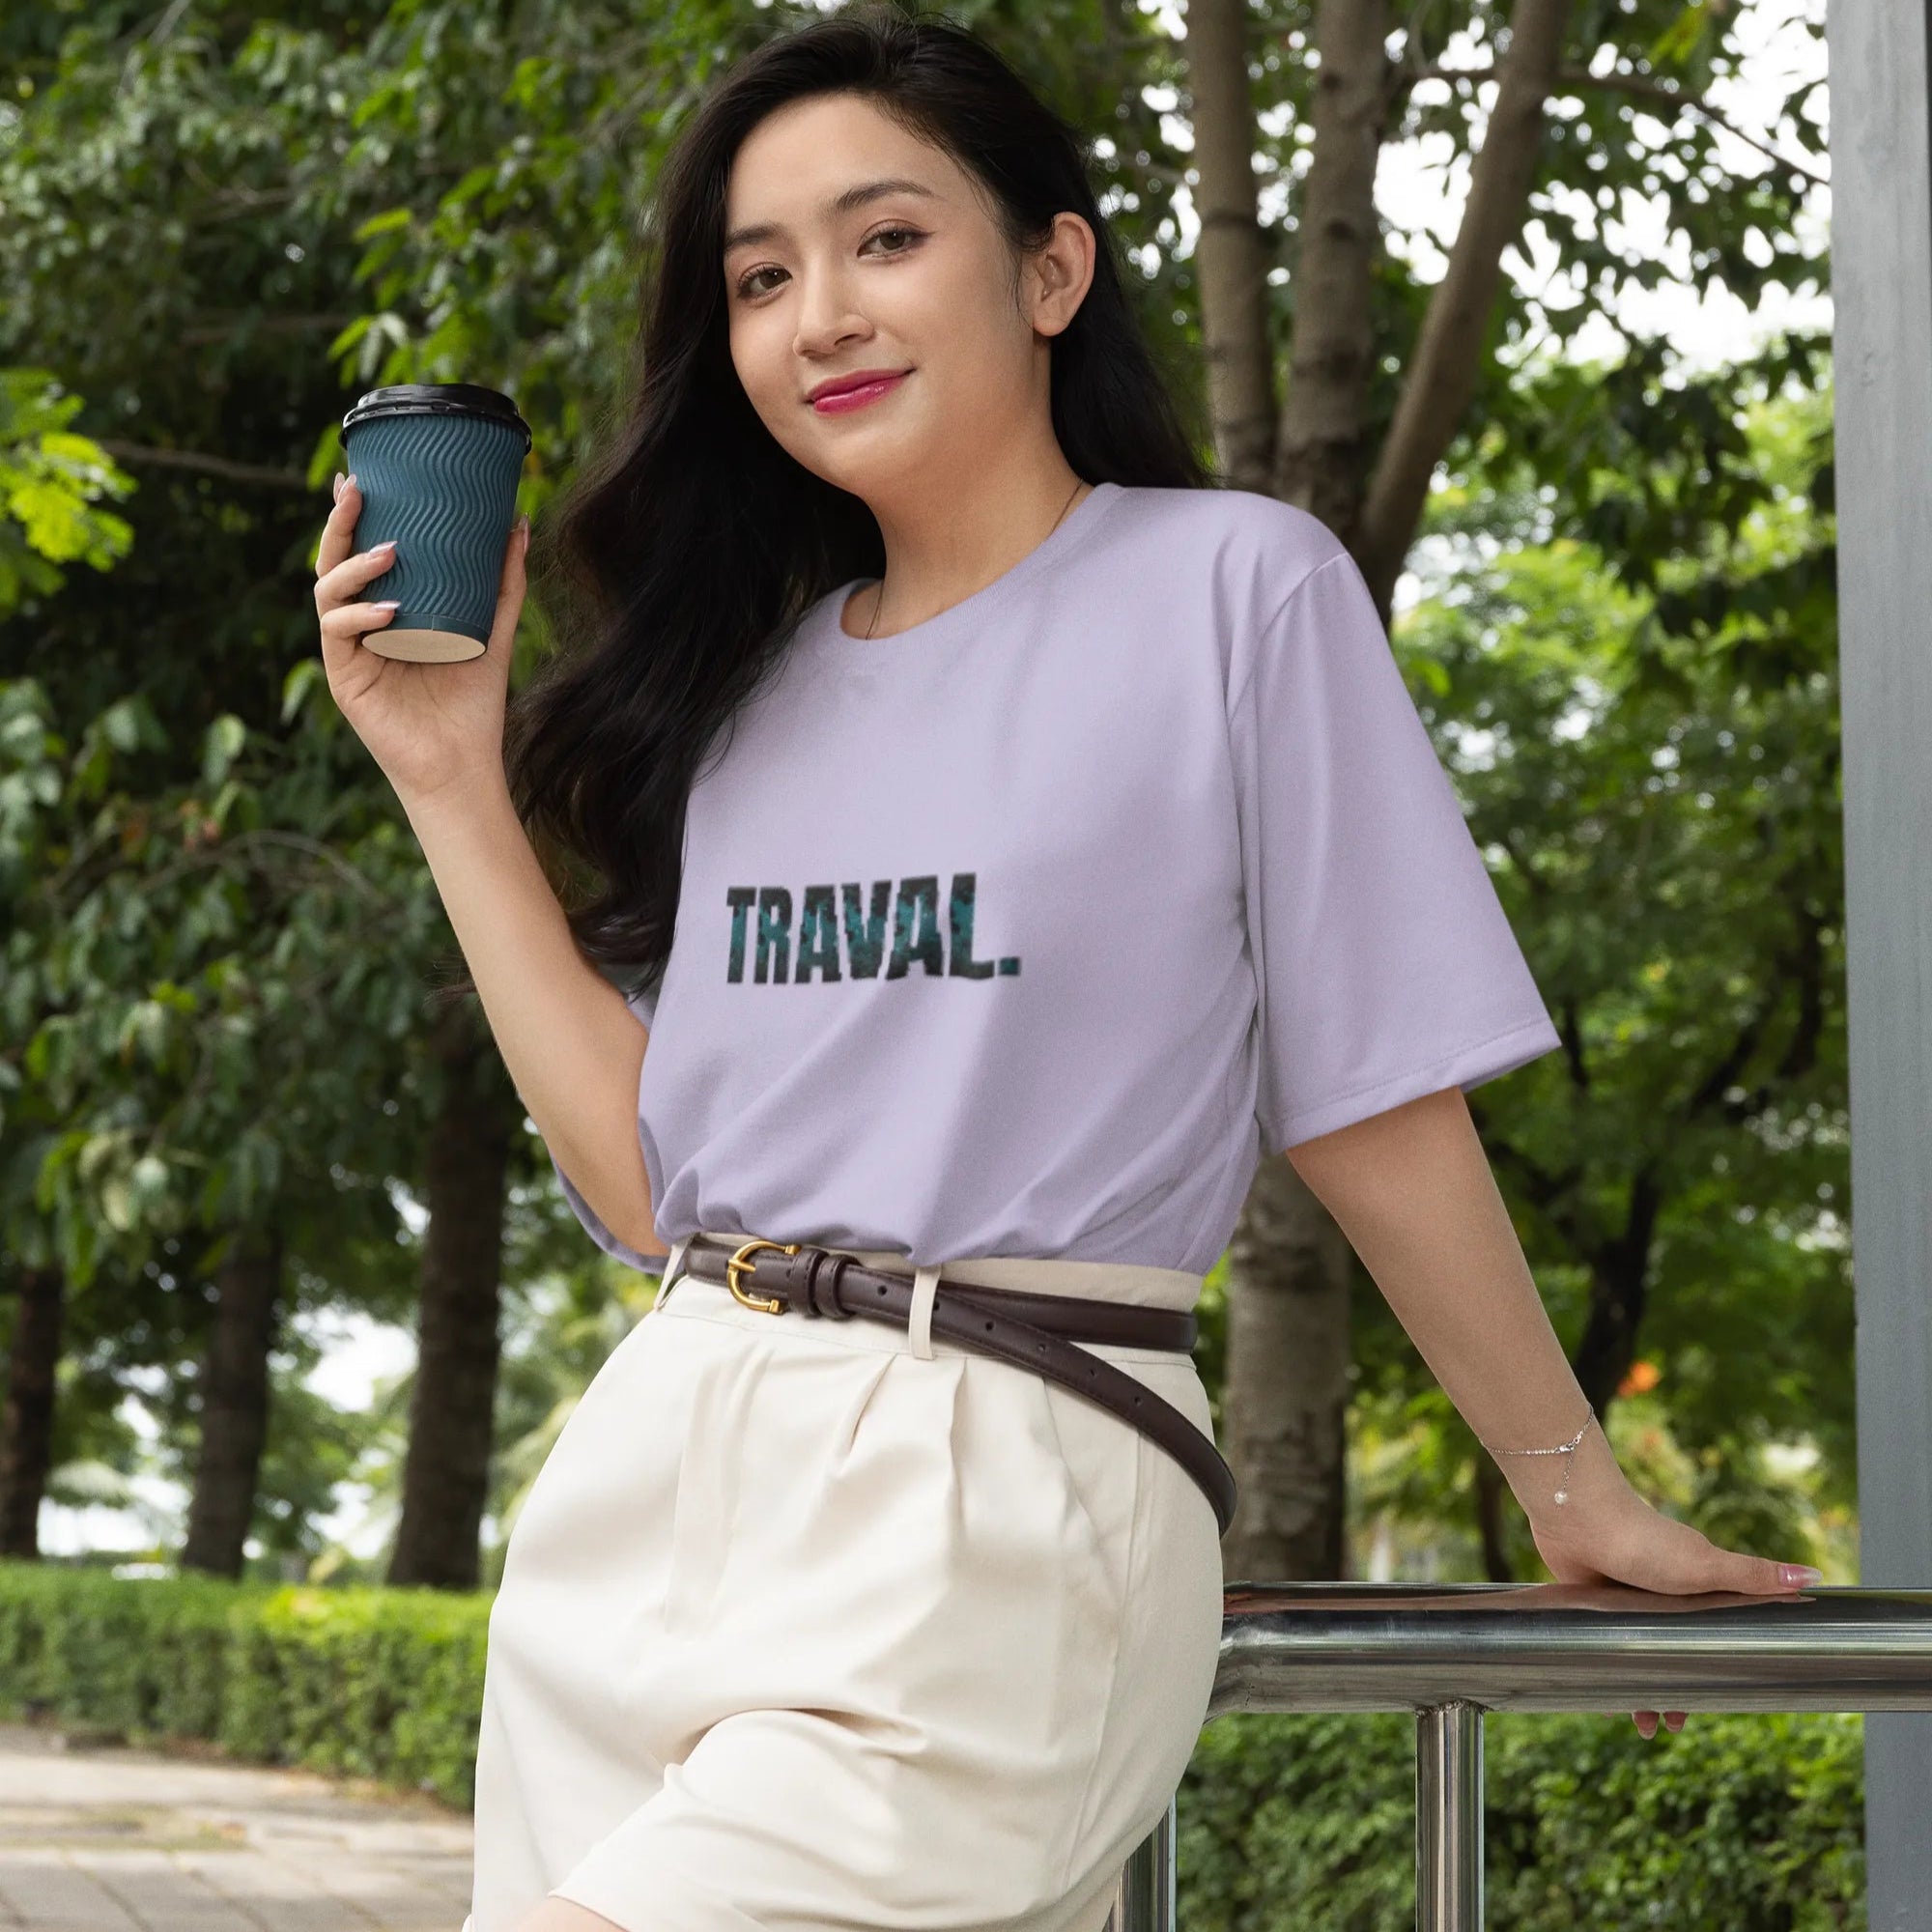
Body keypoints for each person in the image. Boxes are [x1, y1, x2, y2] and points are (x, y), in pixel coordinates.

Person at [311, 7, 1824, 1929]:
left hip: (1005, 1458)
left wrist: (1564, 1475)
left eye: (883, 240)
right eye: (760, 278)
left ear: (1049, 265)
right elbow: (649, 1182)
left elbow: (1367, 1089)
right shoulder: (752, 696)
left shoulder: (1234, 587)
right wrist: (449, 785)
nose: (818, 315)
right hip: (662, 1460)